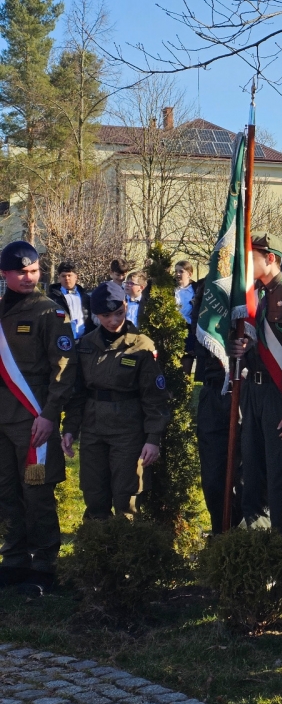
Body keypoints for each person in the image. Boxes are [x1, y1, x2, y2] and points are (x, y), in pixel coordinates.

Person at [0, 241, 77, 596]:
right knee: (6, 492)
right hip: (2, 419)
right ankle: (14, 559)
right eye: (21, 272)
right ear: (5, 274)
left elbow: (64, 370)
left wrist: (49, 415)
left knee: (36, 493)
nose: (29, 277)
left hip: (32, 421)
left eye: (34, 271)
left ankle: (44, 564)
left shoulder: (50, 313)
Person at [61, 282, 170, 520]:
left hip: (128, 429)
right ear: (96, 315)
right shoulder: (86, 345)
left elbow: (155, 398)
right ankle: (96, 541)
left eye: (119, 313)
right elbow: (77, 393)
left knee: (126, 496)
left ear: (125, 307)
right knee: (94, 493)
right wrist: (70, 428)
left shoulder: (141, 345)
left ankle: (126, 542)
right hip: (93, 428)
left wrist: (153, 438)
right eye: (105, 316)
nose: (113, 321)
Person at [229, 232, 282, 536]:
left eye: (252, 258)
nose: (245, 265)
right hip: (253, 391)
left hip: (278, 393)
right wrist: (243, 350)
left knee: (279, 474)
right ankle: (257, 541)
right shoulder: (254, 296)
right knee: (252, 470)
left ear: (270, 258)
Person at [191, 280, 242, 533]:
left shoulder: (249, 300)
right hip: (213, 394)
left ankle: (242, 536)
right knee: (213, 478)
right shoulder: (206, 300)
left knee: (245, 477)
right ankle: (220, 533)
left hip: (245, 395)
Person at [48, 261, 93, 340]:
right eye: (63, 276)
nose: (67, 278)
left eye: (69, 275)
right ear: (59, 278)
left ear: (76, 277)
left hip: (85, 340)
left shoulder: (86, 297)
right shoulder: (52, 298)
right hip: (62, 340)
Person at [174, 260, 196, 324]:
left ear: (189, 274)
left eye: (181, 271)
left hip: (190, 326)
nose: (178, 274)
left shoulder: (196, 290)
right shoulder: (172, 289)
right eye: (176, 271)